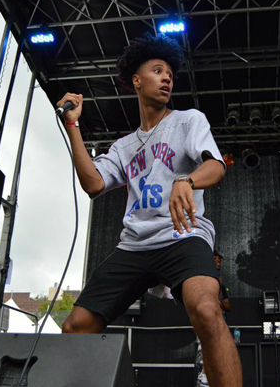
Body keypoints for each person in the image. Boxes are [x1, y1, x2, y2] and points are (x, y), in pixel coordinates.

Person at [58, 33, 242, 386]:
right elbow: (94, 184)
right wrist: (72, 126)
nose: (167, 77)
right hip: (135, 245)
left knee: (206, 308)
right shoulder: (124, 146)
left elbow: (216, 167)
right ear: (137, 81)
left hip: (183, 235)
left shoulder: (189, 120)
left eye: (170, 72)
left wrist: (186, 182)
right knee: (76, 326)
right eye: (158, 70)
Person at [195, 249, 232, 387]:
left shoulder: (219, 283)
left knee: (219, 357)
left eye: (220, 261)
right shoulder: (201, 279)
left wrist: (219, 294)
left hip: (219, 323)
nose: (219, 263)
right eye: (216, 259)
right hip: (206, 322)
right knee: (205, 356)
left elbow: (228, 306)